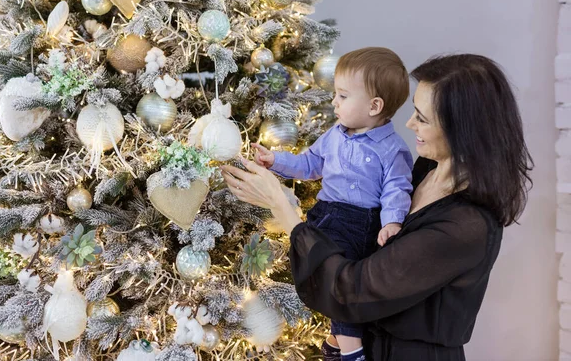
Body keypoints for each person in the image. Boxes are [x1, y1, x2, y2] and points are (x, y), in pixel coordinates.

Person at [221, 54, 533, 361]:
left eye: (422, 119)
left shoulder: (465, 226)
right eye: (414, 112)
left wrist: (280, 205)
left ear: (462, 131)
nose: (409, 124)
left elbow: (351, 290)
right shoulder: (426, 169)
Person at [251, 47, 413, 360]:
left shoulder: (392, 150)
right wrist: (276, 161)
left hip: (358, 223)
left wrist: (392, 221)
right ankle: (337, 339)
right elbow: (310, 164)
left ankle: (351, 348)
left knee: (339, 281)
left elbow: (397, 188)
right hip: (324, 215)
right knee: (316, 275)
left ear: (374, 105)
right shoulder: (334, 135)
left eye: (342, 96)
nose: (334, 102)